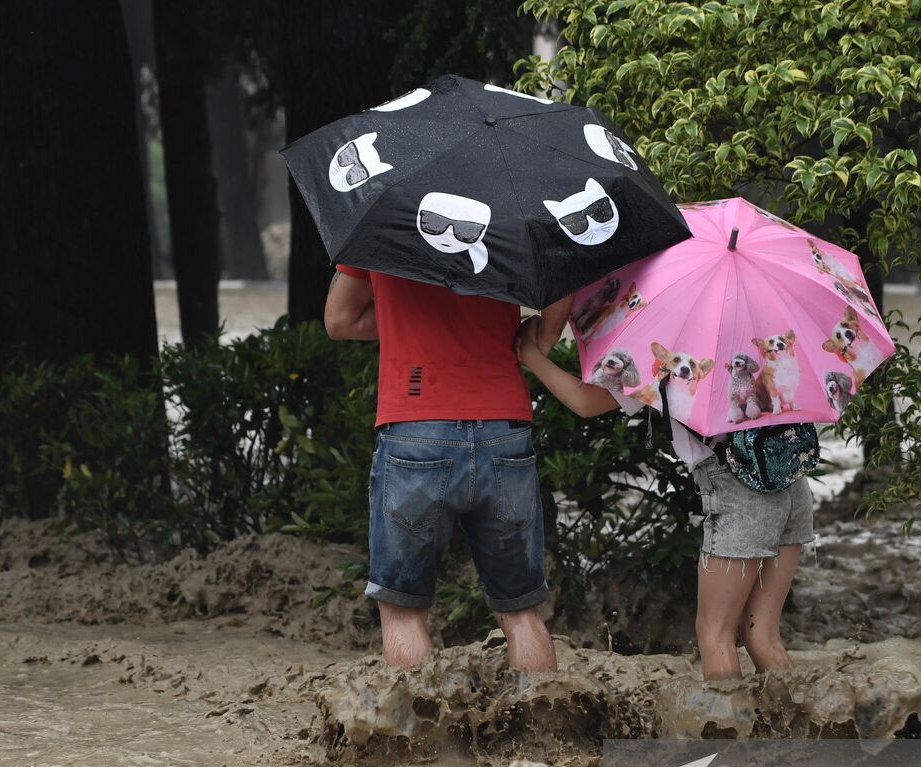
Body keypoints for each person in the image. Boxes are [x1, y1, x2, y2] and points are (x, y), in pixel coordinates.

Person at [515, 319, 813, 680]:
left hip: (740, 491)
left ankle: (732, 737)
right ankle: (796, 735)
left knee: (714, 635)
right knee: (763, 637)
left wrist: (530, 354)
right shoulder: (756, 328)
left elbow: (584, 401)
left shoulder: (668, 339)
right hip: (790, 481)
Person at [325, 266, 571, 672]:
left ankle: (421, 736)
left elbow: (340, 320)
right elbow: (564, 276)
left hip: (415, 425)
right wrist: (543, 335)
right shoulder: (510, 212)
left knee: (402, 610)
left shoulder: (386, 216)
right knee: (521, 611)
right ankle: (542, 729)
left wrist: (406, 320)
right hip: (503, 426)